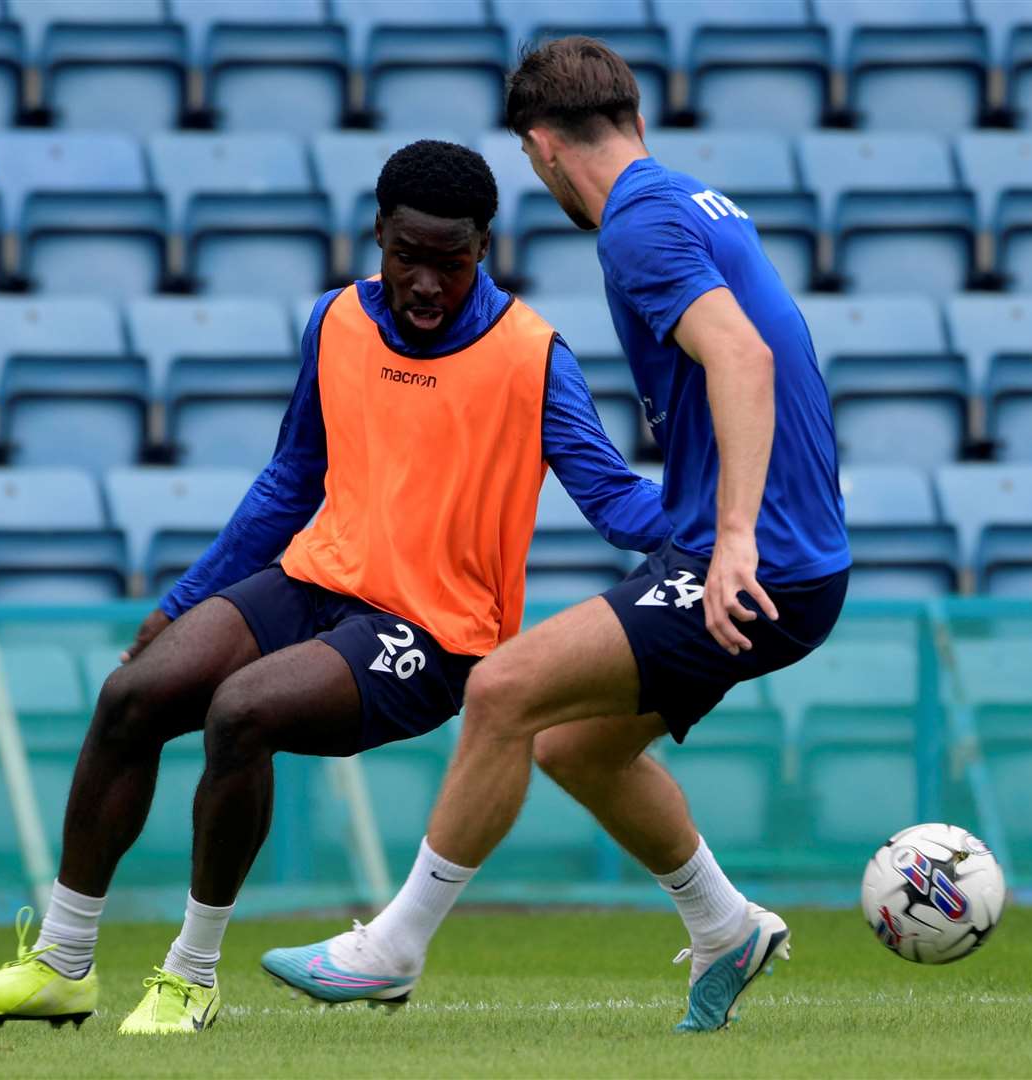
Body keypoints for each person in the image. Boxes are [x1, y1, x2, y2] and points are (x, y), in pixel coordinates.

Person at [0, 138, 671, 1034]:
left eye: (450, 259)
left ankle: (190, 976)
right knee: (133, 695)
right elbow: (288, 484)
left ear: (485, 248)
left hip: (432, 631)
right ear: (379, 239)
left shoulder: (533, 357)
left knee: (241, 712)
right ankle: (61, 964)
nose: (426, 281)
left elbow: (618, 501)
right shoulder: (336, 323)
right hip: (315, 580)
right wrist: (183, 601)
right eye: (407, 256)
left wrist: (733, 527)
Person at [264, 38, 850, 1033]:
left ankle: (391, 949)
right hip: (774, 552)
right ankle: (724, 926)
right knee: (576, 748)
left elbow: (742, 360)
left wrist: (736, 538)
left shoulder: (633, 226)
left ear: (538, 148)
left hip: (763, 562)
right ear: (632, 121)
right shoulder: (693, 198)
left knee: (500, 688)